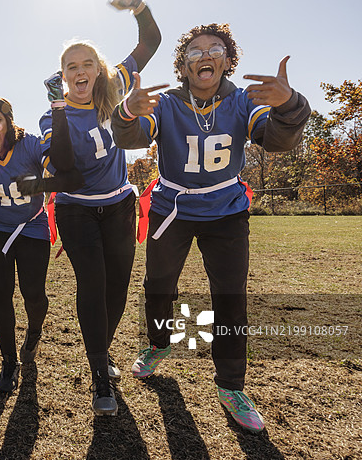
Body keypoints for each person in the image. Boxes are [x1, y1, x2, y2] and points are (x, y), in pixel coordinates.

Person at [111, 22, 311, 432]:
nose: (205, 55)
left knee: (230, 297)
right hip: (173, 208)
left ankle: (231, 386)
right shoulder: (167, 103)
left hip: (225, 210)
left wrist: (290, 105)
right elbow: (130, 138)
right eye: (195, 51)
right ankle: (159, 344)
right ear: (183, 66)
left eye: (215, 49)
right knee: (158, 286)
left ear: (227, 60)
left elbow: (276, 140)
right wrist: (128, 112)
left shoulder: (243, 100)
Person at [38, 0, 161, 415]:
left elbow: (151, 42)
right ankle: (99, 378)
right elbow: (63, 165)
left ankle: (101, 351)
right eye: (71, 66)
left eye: (87, 63)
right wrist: (58, 109)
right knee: (92, 282)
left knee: (118, 286)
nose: (80, 71)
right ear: (62, 75)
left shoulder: (113, 88)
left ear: (99, 68)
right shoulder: (52, 113)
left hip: (119, 204)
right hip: (76, 208)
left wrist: (137, 6)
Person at [0, 96, 82, 392]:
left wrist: (40, 185)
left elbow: (72, 178)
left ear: (8, 122)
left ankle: (34, 332)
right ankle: (9, 361)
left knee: (33, 293)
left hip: (31, 224)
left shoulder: (30, 144)